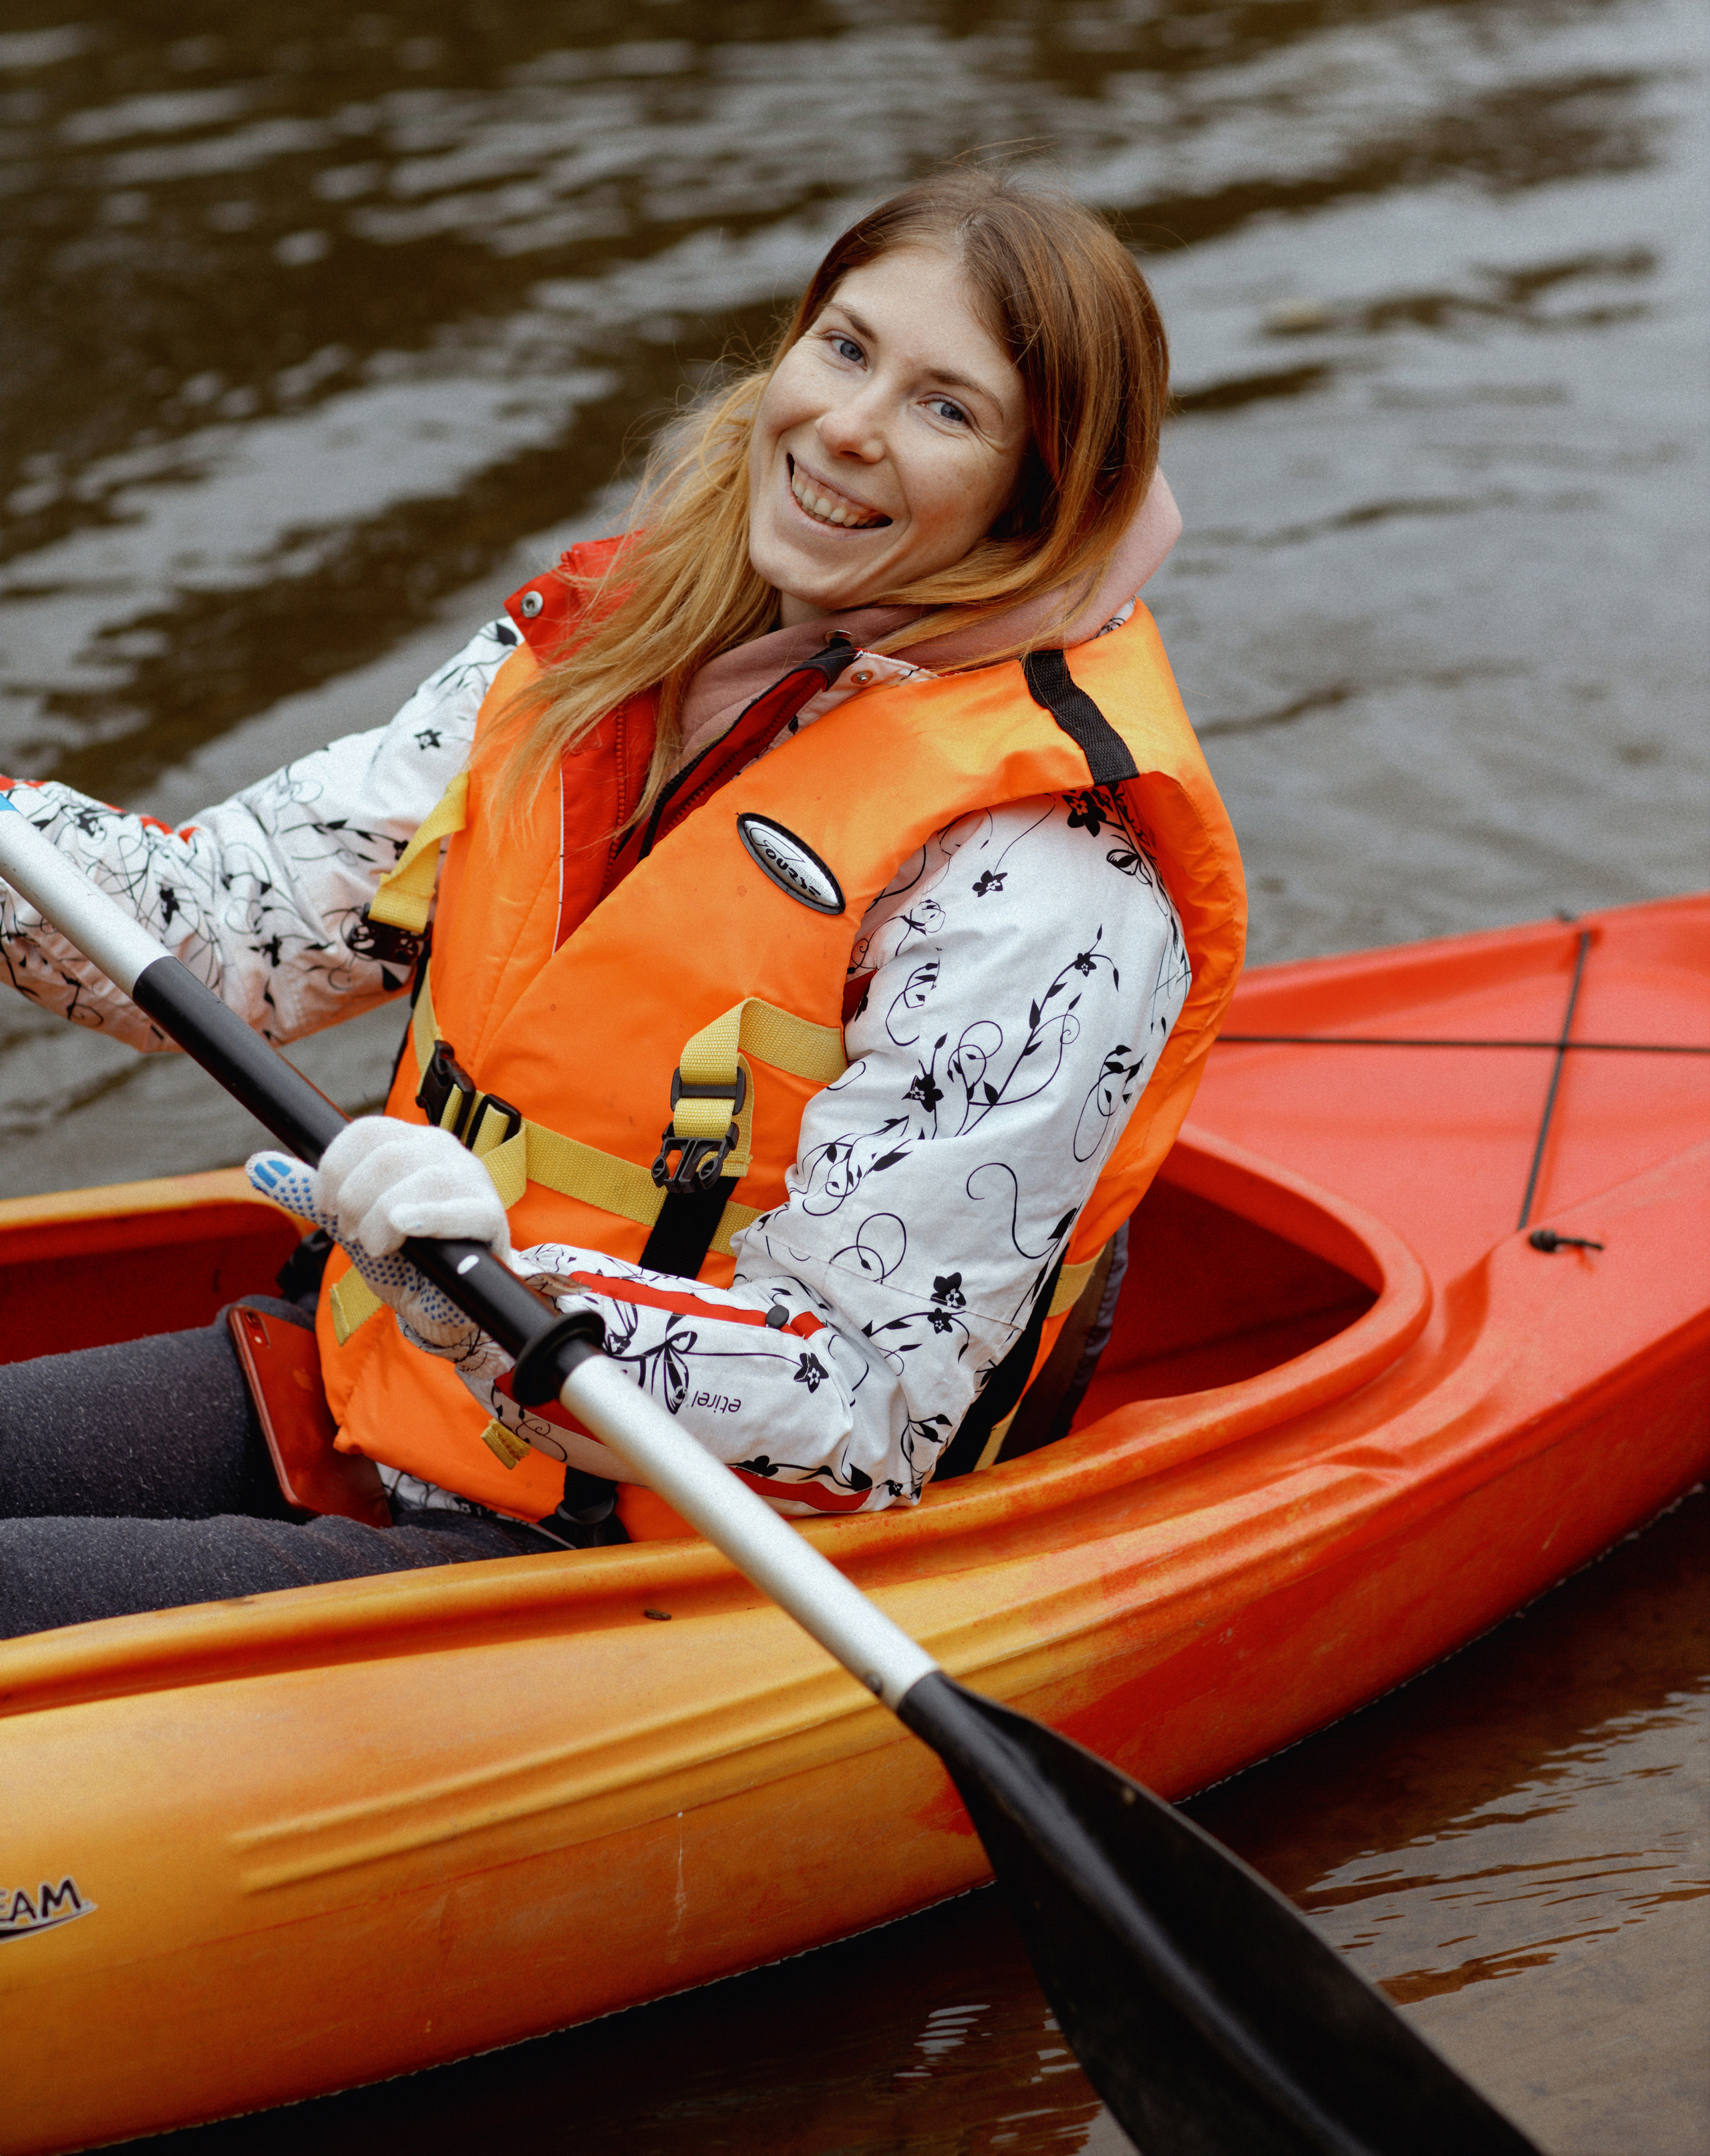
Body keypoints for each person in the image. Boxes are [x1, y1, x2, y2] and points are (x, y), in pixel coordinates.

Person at [0, 170, 1245, 1638]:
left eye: (944, 407)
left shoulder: (1053, 879)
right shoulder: (605, 650)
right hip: (366, 1387)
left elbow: (869, 1407)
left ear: (1039, 498)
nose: (847, 424)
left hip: (643, 1553)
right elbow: (234, 939)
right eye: (843, 349)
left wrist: (502, 1298)